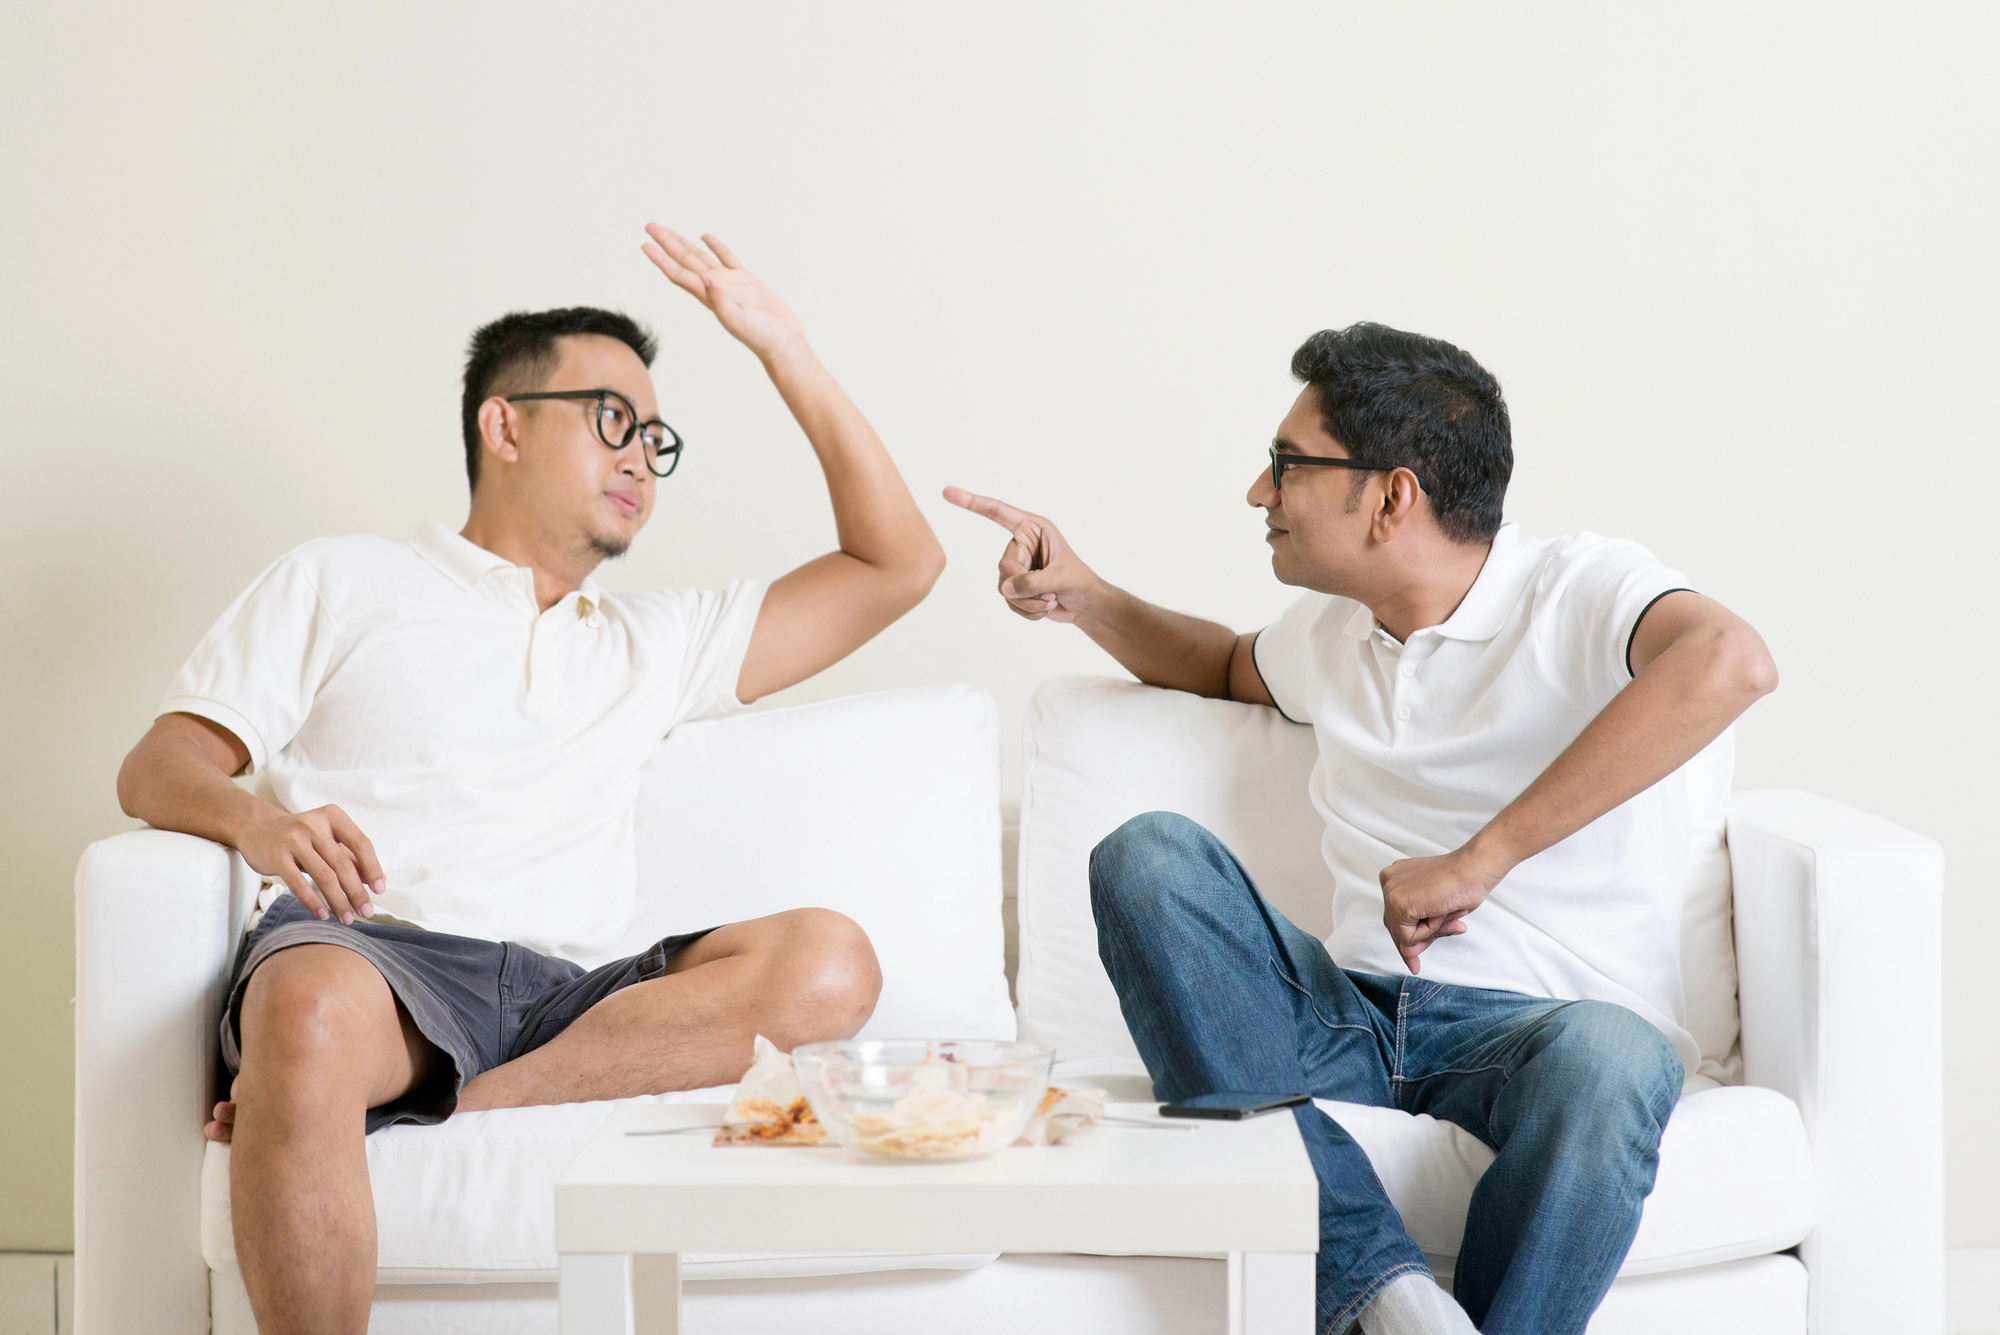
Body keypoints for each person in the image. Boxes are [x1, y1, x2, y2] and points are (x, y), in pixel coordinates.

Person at [116, 227, 945, 1335]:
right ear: (501, 424)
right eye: (611, 420)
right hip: (378, 964)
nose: (640, 456)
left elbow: (899, 566)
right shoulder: (344, 579)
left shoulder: (654, 640)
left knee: (830, 961)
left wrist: (781, 349)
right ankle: (345, 1080)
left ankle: (423, 1109)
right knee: (306, 1006)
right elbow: (159, 763)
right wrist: (258, 825)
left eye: (656, 436)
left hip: (571, 996)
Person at [946, 322, 1777, 1335]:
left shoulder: (1579, 588)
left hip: (1540, 1037)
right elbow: (1218, 666)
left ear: (1390, 497)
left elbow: (1730, 662)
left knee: (1618, 1059)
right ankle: (1382, 1294)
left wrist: (1480, 860)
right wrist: (1085, 597)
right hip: (1347, 1020)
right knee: (1145, 857)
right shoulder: (1331, 634)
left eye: (1285, 467)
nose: (1258, 495)